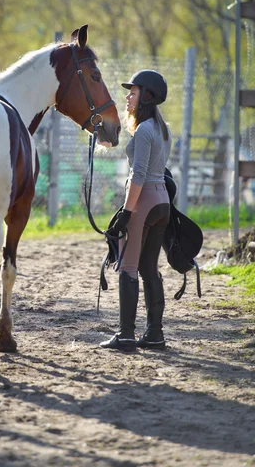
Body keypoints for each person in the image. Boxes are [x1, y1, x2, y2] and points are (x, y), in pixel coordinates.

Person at [100, 69, 172, 352]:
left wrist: (126, 214)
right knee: (149, 268)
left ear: (148, 97)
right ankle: (155, 334)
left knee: (128, 267)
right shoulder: (162, 129)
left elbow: (138, 175)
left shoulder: (144, 130)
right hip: (162, 202)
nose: (127, 97)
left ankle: (126, 334)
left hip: (143, 202)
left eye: (133, 92)